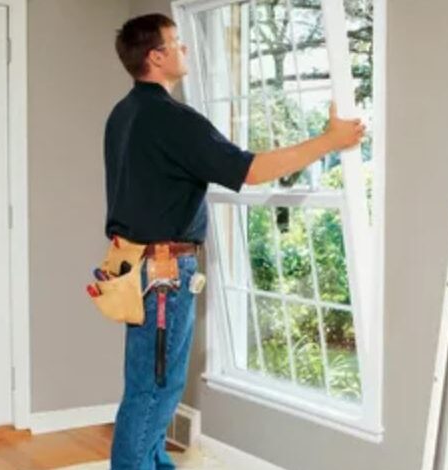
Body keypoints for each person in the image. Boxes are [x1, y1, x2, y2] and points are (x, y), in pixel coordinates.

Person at [106, 12, 365, 470]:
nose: (185, 49)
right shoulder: (172, 120)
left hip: (134, 266)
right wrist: (328, 141)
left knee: (149, 381)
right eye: (178, 42)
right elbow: (250, 170)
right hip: (162, 274)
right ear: (157, 56)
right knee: (154, 389)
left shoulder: (123, 115)